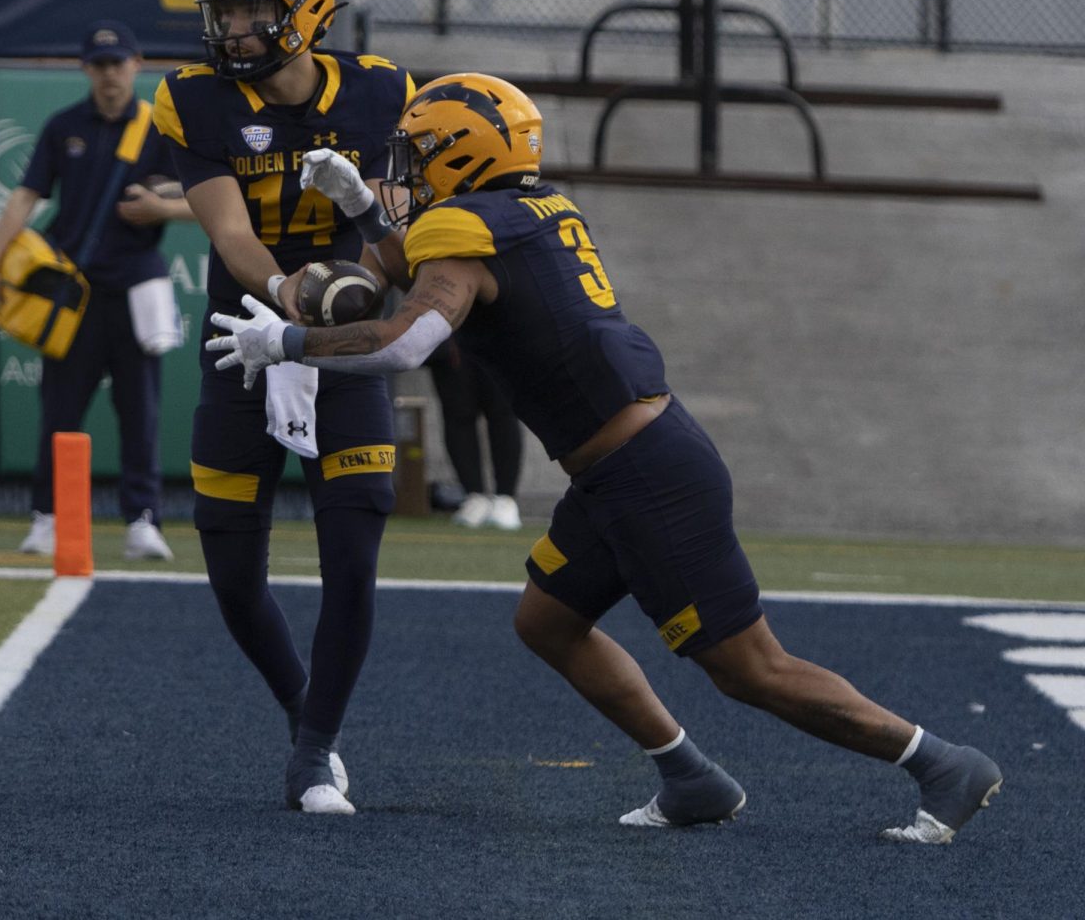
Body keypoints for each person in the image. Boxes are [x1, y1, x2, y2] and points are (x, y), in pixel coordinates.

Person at [207, 73, 1003, 844]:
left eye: (418, 156)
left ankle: (941, 763)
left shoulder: (466, 229)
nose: (403, 175)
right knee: (547, 619)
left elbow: (407, 337)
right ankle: (691, 775)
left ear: (463, 156)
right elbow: (420, 269)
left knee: (749, 667)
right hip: (623, 466)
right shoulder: (526, 209)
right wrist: (356, 207)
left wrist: (287, 342)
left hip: (647, 477)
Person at [151, 0, 414, 816]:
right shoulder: (190, 99)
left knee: (353, 552)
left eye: (253, 11)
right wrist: (292, 292)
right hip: (242, 334)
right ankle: (306, 709)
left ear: (306, 7)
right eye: (223, 12)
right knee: (230, 567)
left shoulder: (385, 94)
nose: (234, 31)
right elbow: (229, 234)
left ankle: (313, 751)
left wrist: (359, 261)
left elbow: (403, 250)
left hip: (345, 349)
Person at [0, 19, 193, 562]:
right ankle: (46, 517)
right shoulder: (63, 125)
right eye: (99, 65)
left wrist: (161, 208)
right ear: (86, 70)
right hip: (71, 293)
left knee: (140, 411)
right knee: (59, 409)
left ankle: (142, 519)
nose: (109, 75)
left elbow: (206, 202)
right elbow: (27, 196)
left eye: (118, 63)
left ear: (136, 64)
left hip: (134, 291)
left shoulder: (158, 129)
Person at [426, 334, 523, 530]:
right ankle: (474, 495)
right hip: (451, 329)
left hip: (499, 328)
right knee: (457, 414)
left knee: (503, 411)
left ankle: (505, 498)